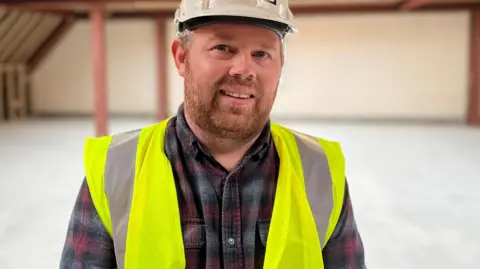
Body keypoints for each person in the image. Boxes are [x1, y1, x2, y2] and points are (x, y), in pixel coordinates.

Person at [59, 0, 366, 268]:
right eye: (223, 48)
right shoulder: (117, 170)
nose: (244, 69)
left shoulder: (319, 171)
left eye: (262, 54)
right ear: (181, 57)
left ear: (280, 65)